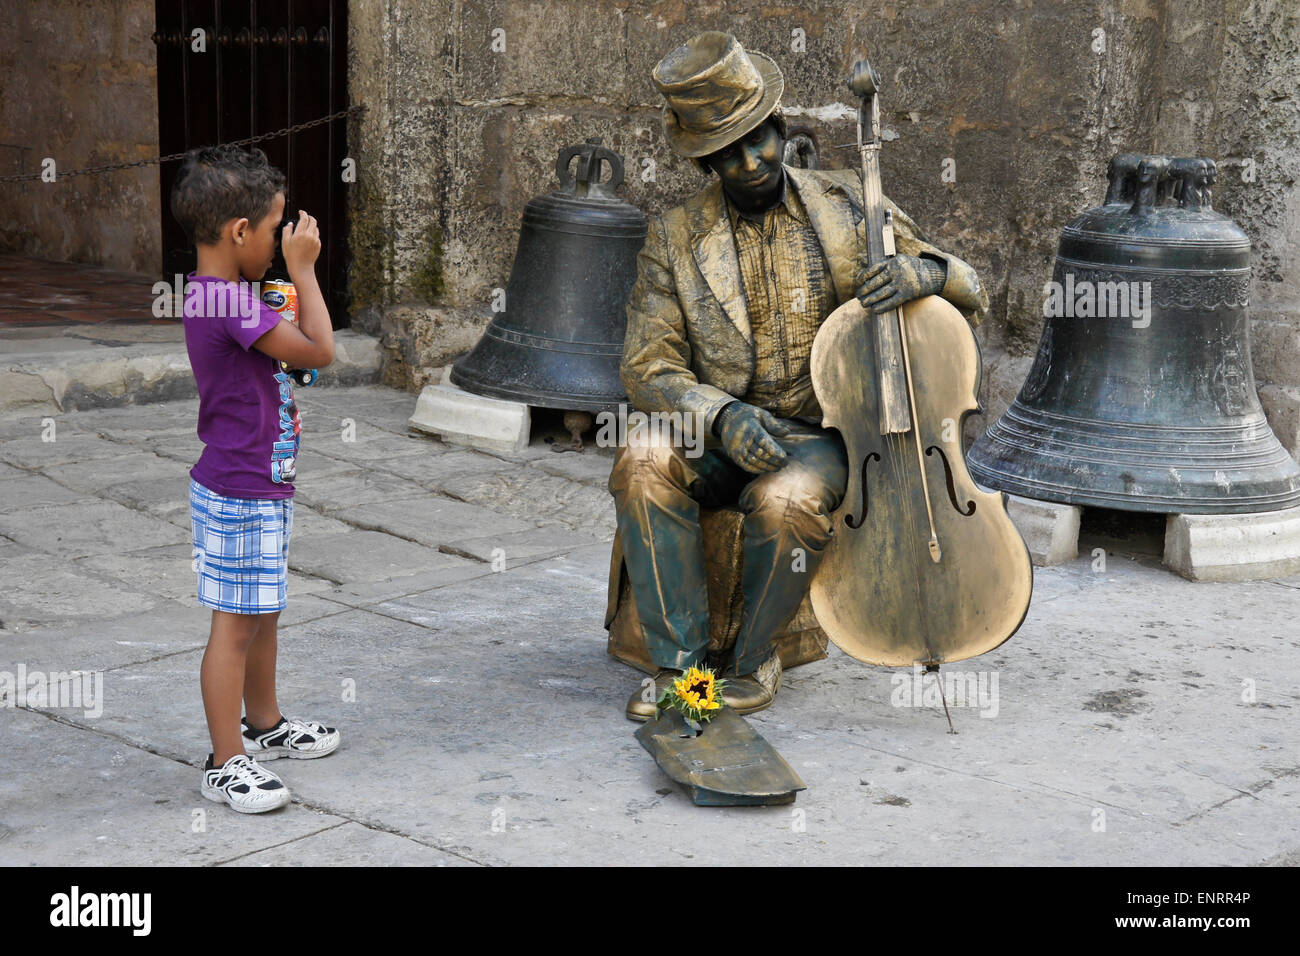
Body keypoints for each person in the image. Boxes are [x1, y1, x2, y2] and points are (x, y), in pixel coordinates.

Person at [611, 32, 990, 721]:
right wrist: (724, 416)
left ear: (781, 129)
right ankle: (681, 668)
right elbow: (646, 364)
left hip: (821, 434)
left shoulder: (848, 206)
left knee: (786, 500)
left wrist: (925, 273)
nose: (751, 161)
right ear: (706, 162)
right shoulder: (673, 237)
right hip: (723, 427)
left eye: (759, 139)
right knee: (640, 456)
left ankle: (756, 658)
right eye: (728, 154)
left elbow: (971, 286)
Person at [173, 145, 340, 812]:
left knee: (261, 609)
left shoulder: (226, 296)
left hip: (260, 483)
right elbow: (321, 351)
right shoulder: (227, 304)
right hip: (241, 487)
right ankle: (224, 760)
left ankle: (263, 724)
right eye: (274, 231)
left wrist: (281, 290)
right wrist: (305, 271)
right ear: (240, 232)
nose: (279, 244)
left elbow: (293, 364)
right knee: (236, 624)